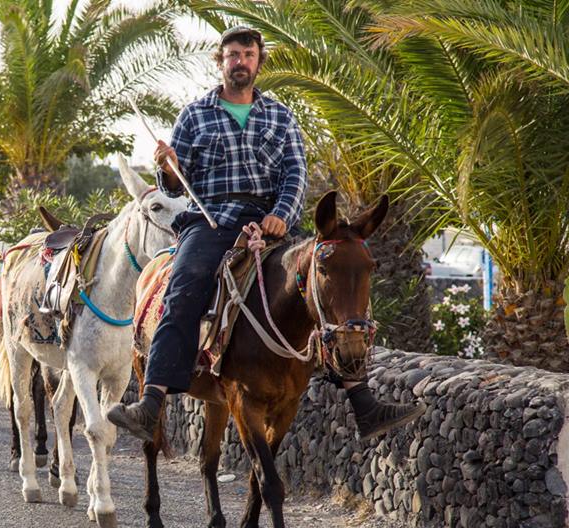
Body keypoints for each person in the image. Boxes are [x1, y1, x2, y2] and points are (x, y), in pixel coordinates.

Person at [107, 26, 425, 443]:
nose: (240, 61)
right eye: (233, 54)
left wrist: (281, 214)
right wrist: (167, 169)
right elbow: (173, 187)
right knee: (182, 291)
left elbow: (296, 173)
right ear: (220, 62)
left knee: (326, 289)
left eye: (248, 55)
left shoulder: (280, 116)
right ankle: (151, 403)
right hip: (211, 224)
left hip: (272, 225)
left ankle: (363, 402)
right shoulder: (193, 115)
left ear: (259, 62)